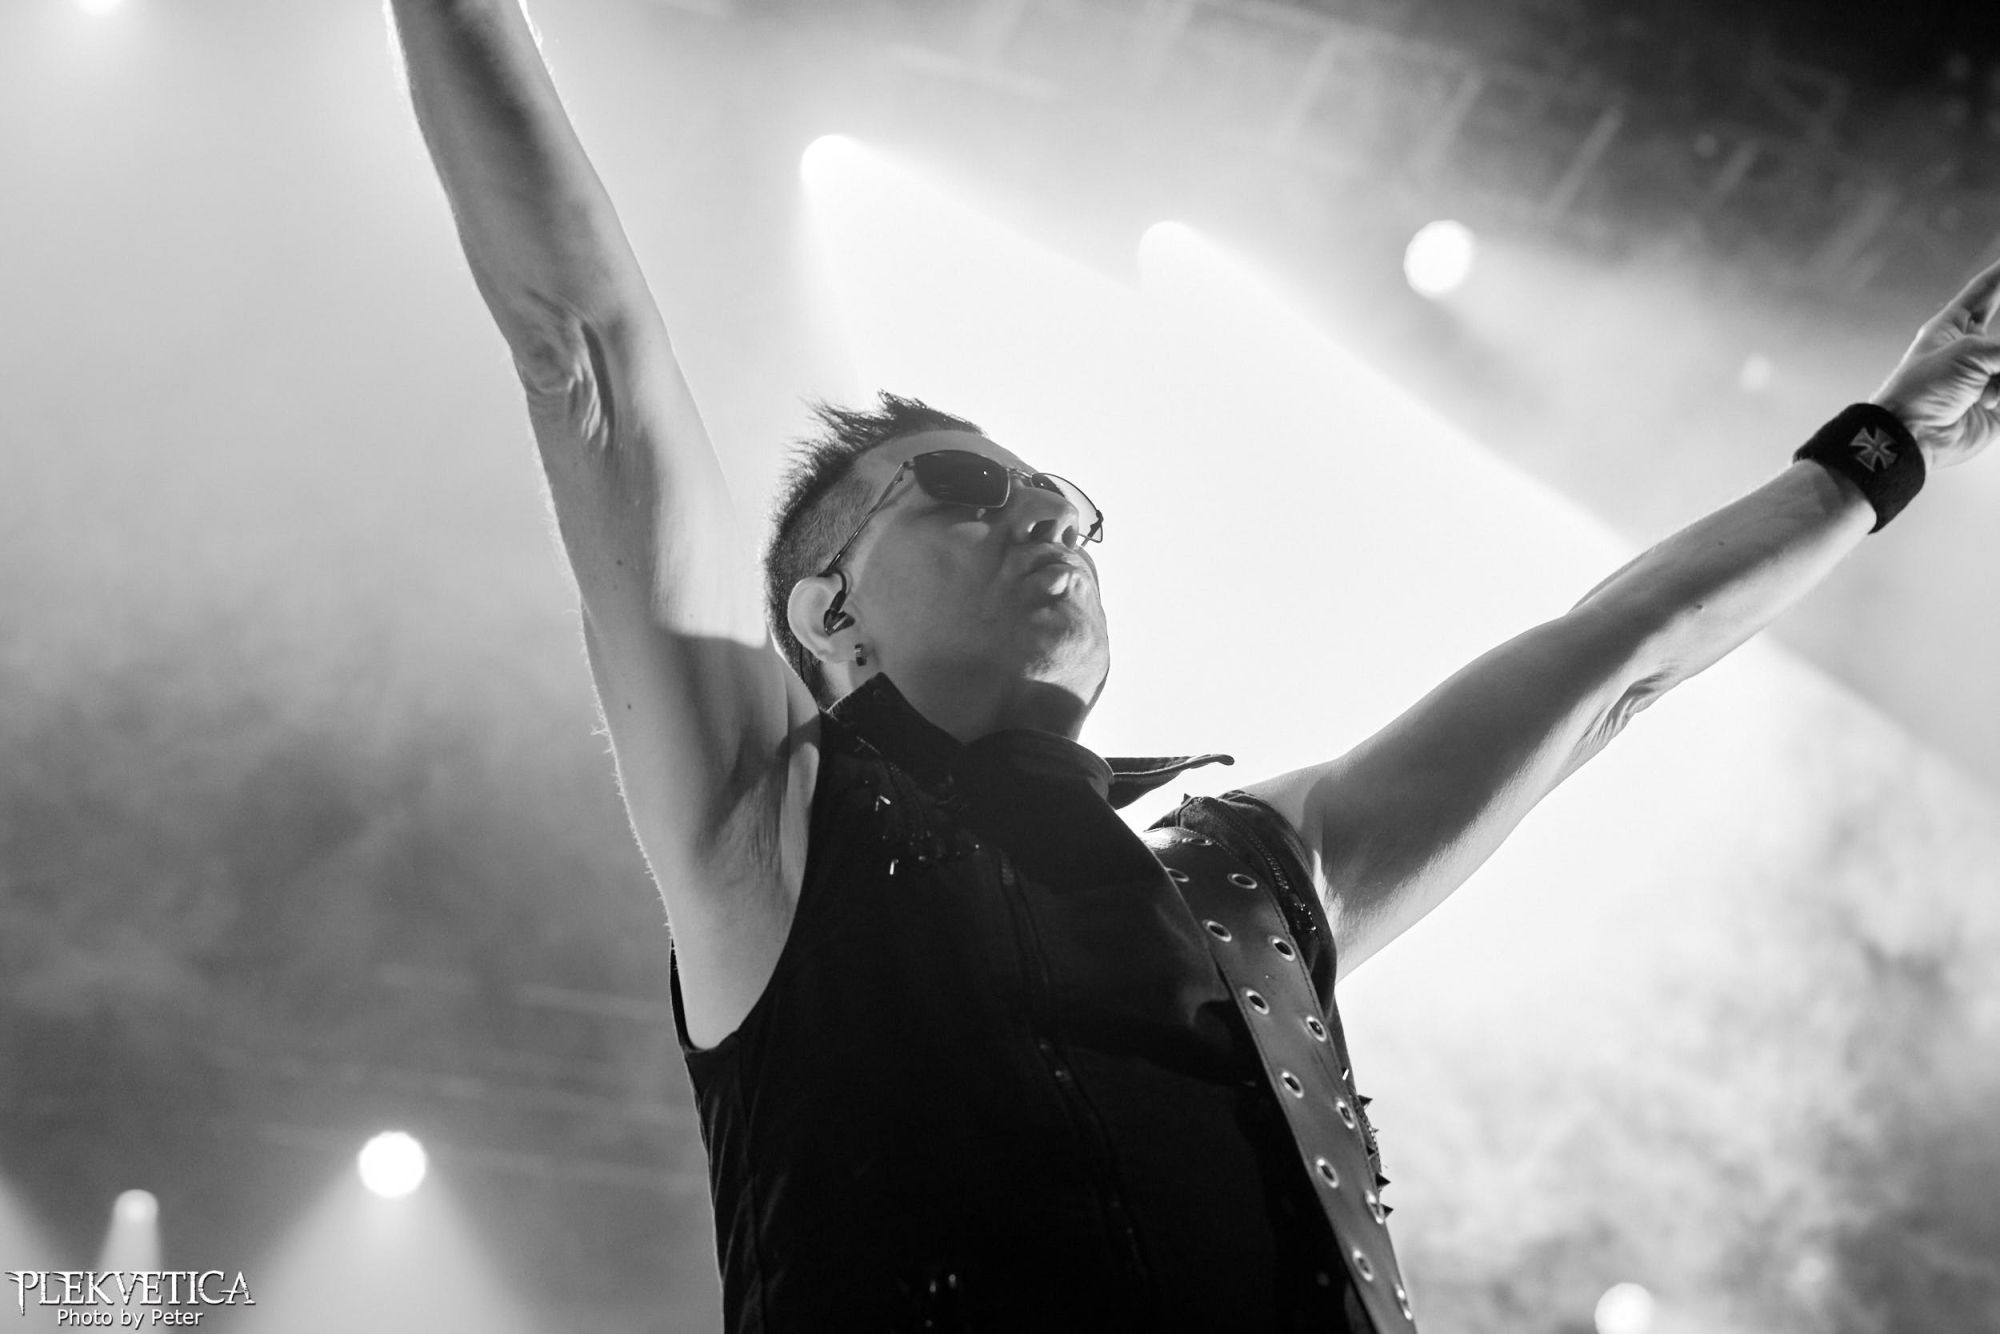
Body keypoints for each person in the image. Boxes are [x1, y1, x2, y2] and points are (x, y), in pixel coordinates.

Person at [387, 1, 2000, 1329]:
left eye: (1060, 497)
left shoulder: (1257, 869)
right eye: (960, 488)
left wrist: (1893, 440)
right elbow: (587, 350)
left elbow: (1611, 662)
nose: (1046, 512)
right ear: (828, 616)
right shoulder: (771, 828)